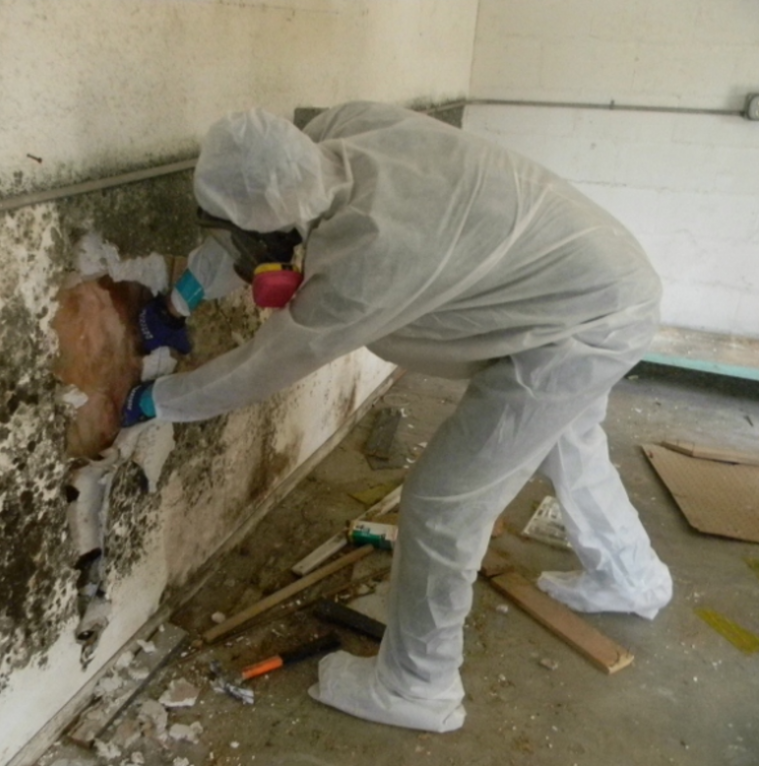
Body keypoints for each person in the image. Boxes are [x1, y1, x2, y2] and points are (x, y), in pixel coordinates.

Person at [125, 102, 673, 732]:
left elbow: (264, 365)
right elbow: (253, 204)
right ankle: (631, 579)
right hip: (595, 272)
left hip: (580, 325)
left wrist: (156, 403)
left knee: (445, 502)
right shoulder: (335, 132)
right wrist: (179, 298)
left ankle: (420, 685)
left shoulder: (369, 260)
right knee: (568, 439)